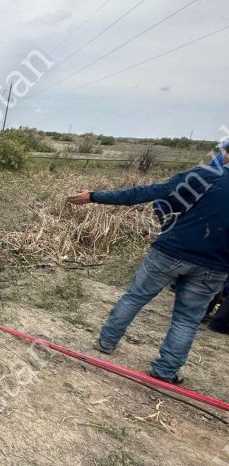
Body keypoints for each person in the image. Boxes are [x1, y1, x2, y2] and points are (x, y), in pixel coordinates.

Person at [67, 151, 229, 384]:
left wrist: (94, 196)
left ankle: (106, 342)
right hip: (215, 266)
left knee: (135, 297)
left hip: (170, 252)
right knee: (187, 319)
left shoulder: (205, 175)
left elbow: (148, 192)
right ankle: (165, 371)